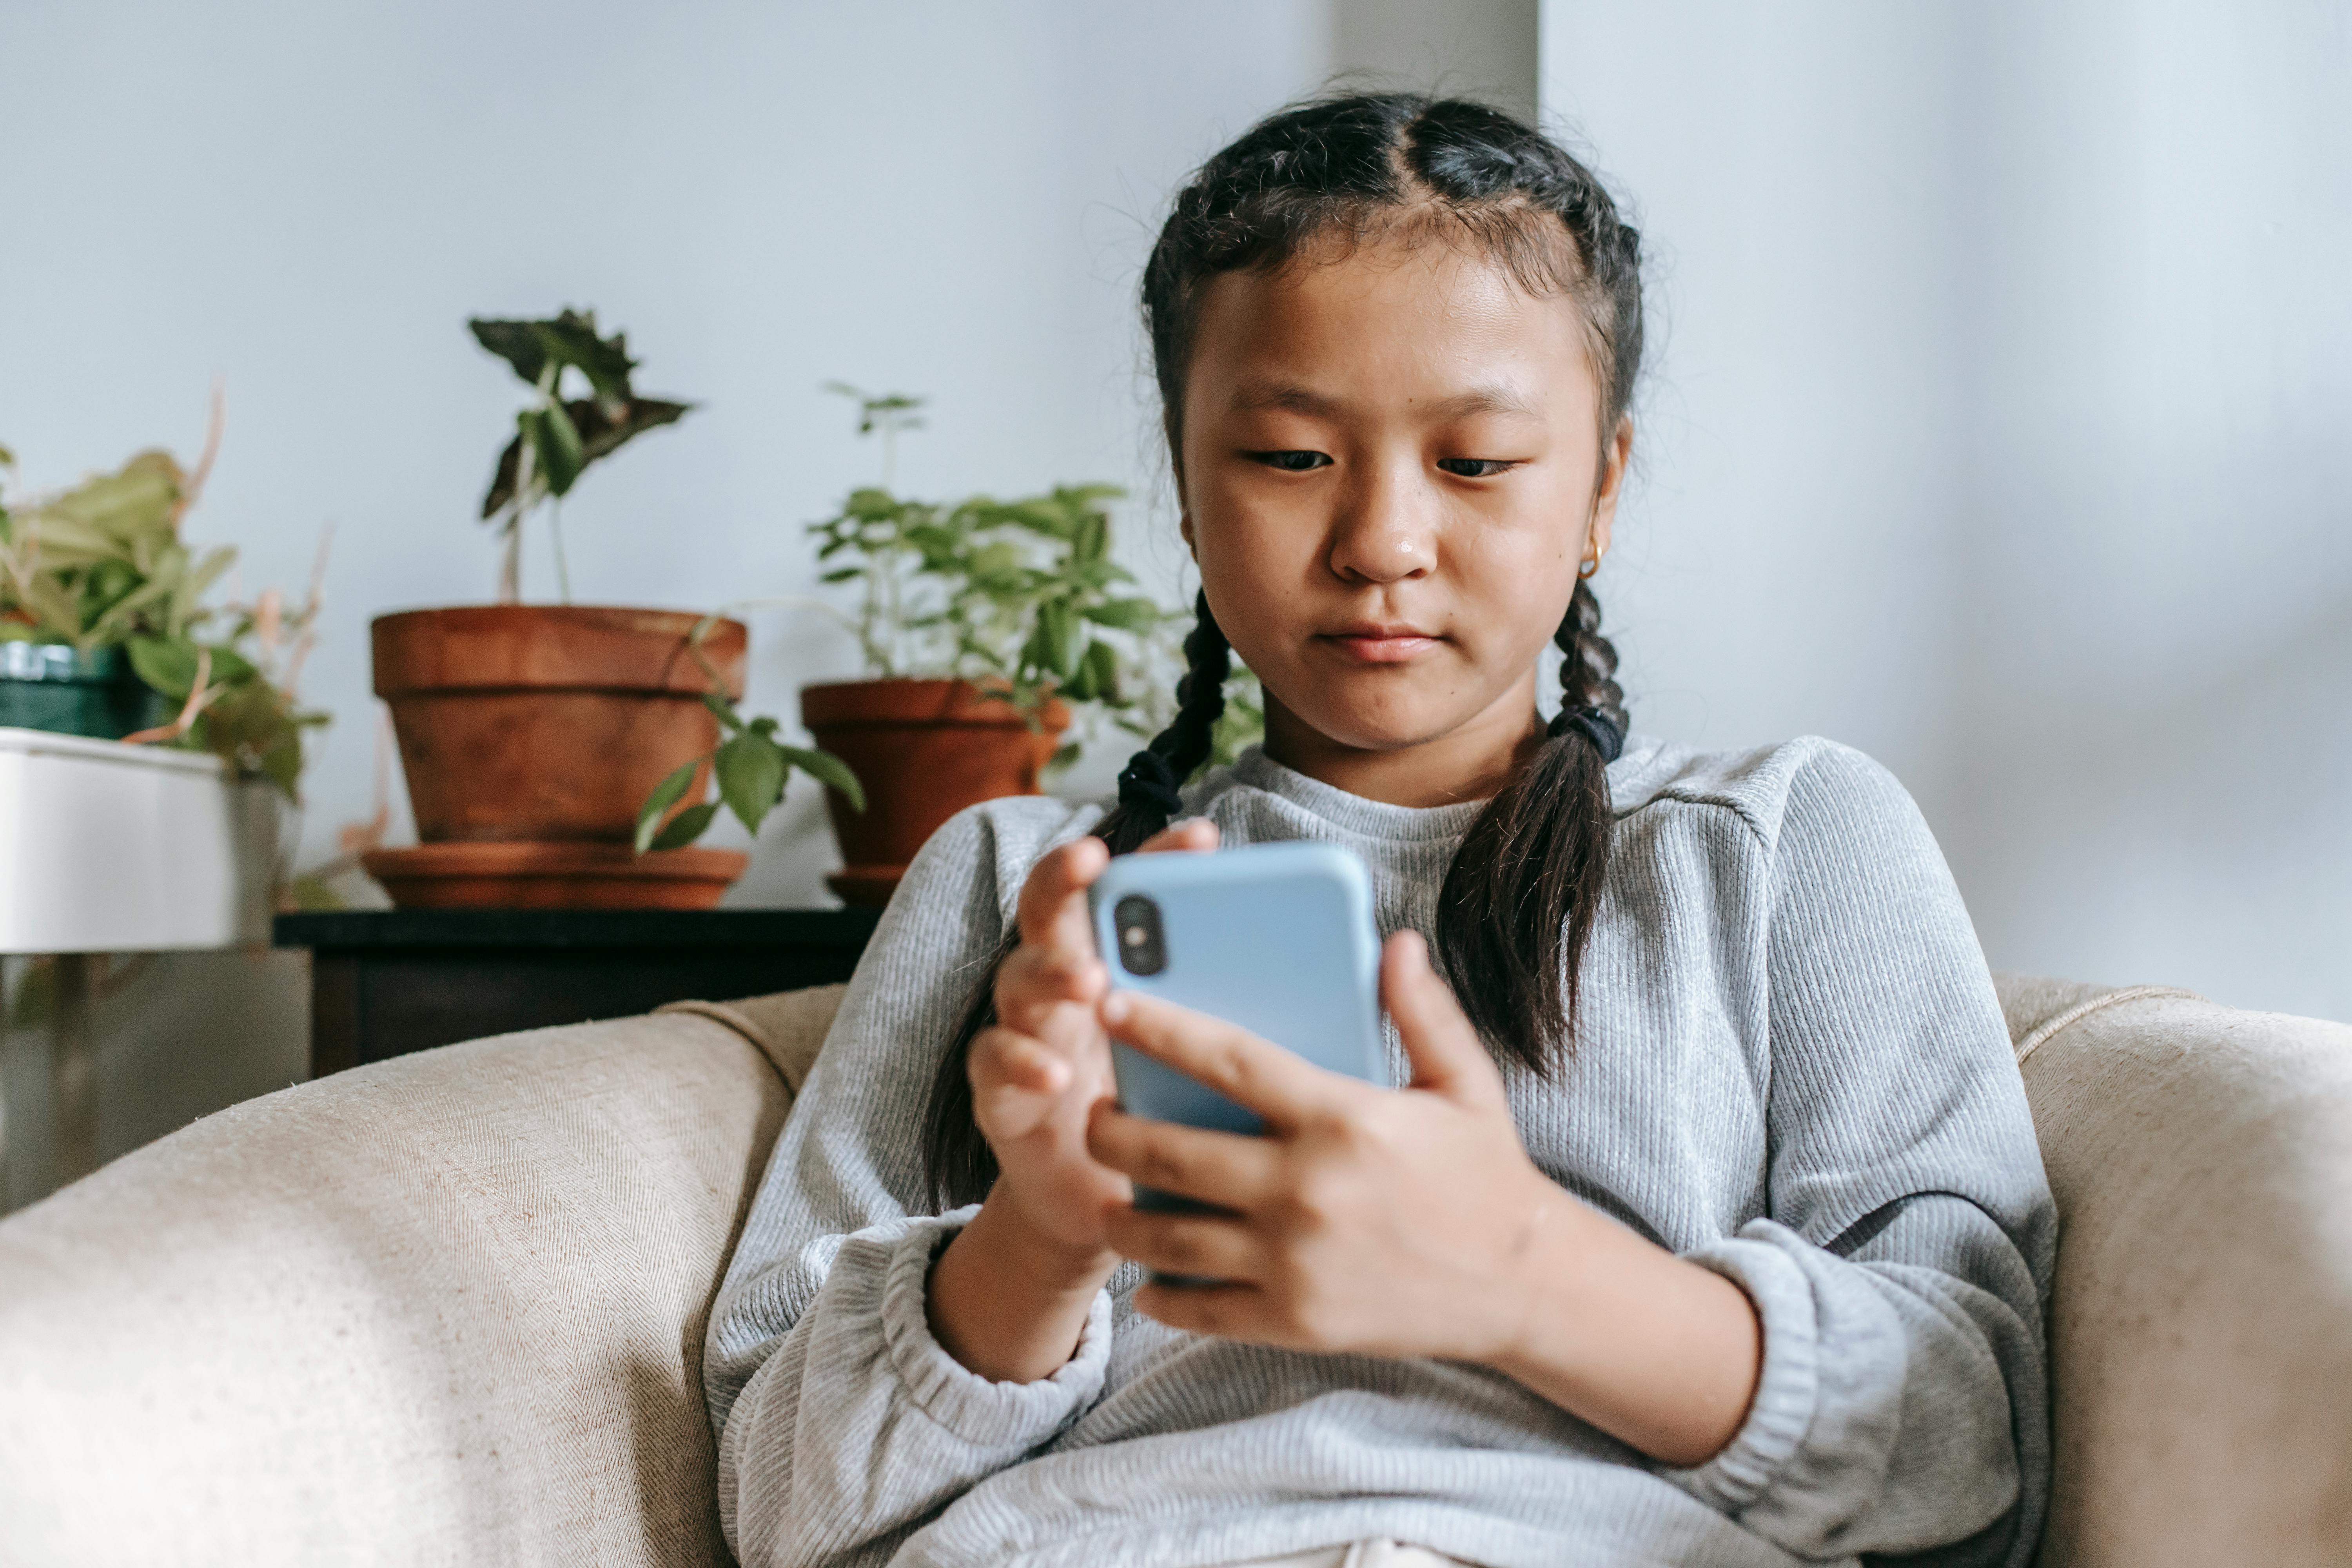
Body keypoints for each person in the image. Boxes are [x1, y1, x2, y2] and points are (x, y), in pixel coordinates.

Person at [705, 93, 2054, 1568]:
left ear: (1601, 488)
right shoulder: (1016, 885)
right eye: (1290, 458)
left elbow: (1970, 1441)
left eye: (1476, 463)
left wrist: (1519, 1274)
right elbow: (778, 1512)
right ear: (1182, 478)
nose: (1380, 544)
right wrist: (1042, 1231)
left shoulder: (1788, 843)